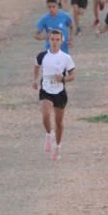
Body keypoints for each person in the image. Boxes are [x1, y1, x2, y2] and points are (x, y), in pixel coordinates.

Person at [33, 28, 75, 161]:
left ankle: (58, 146)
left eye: (57, 39)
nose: (55, 42)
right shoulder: (42, 55)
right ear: (48, 40)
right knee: (45, 115)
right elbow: (36, 66)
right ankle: (49, 134)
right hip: (46, 89)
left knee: (59, 122)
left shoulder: (66, 57)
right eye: (52, 39)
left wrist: (62, 79)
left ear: (62, 41)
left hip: (60, 92)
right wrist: (35, 80)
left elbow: (73, 75)